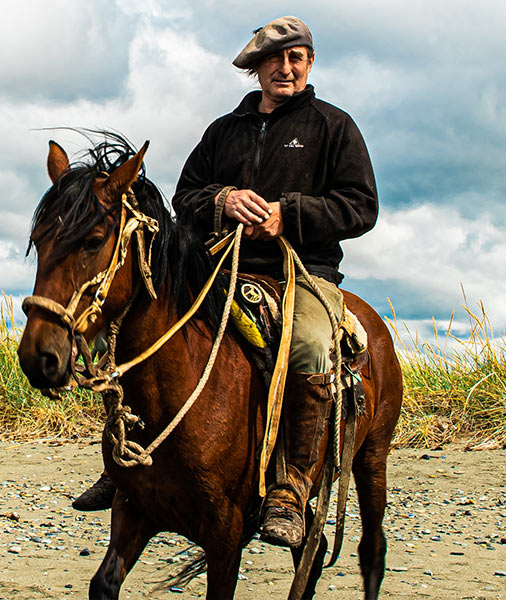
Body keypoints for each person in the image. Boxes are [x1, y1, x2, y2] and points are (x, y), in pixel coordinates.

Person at [73, 16, 379, 549]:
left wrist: (290, 214)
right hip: (216, 264)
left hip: (301, 270)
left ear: (309, 63)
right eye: (277, 59)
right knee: (137, 323)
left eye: (298, 57)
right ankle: (124, 463)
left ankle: (290, 486)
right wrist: (222, 200)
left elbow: (361, 206)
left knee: (308, 343)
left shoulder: (334, 127)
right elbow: (184, 195)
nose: (288, 68)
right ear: (256, 68)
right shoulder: (223, 131)